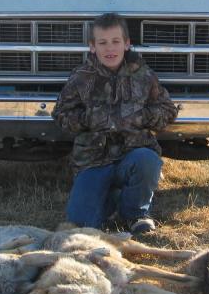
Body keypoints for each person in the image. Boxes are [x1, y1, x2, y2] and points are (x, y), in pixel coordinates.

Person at [52, 13, 178, 235]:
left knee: (147, 160)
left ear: (126, 44)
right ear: (92, 47)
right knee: (80, 224)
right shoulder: (81, 78)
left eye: (115, 41)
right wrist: (89, 119)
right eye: (102, 43)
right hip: (93, 161)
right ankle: (112, 199)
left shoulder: (144, 76)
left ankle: (136, 214)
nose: (110, 48)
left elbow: (168, 111)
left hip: (132, 155)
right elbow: (61, 114)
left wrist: (139, 116)